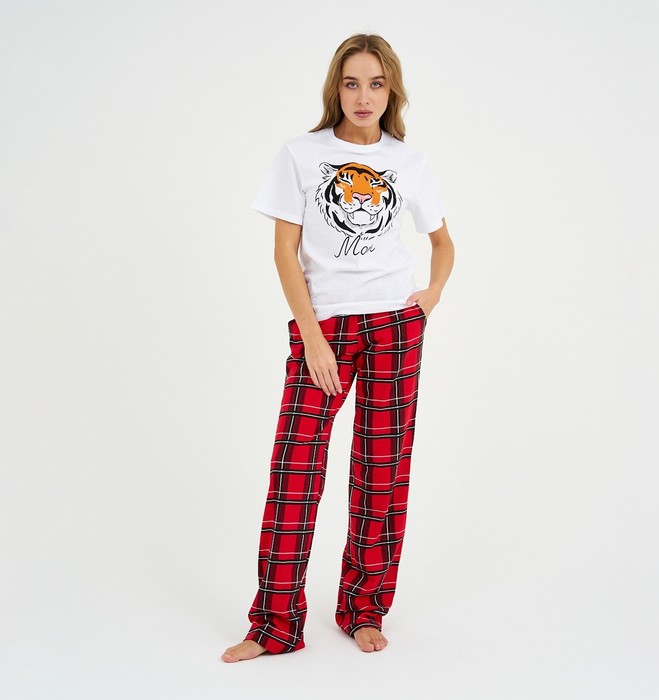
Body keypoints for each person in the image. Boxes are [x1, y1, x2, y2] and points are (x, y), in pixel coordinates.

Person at [221, 32, 455, 662]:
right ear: (336, 89)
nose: (363, 96)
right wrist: (312, 337)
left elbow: (443, 243)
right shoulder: (301, 154)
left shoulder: (409, 161)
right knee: (295, 470)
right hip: (323, 328)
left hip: (394, 327)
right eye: (352, 83)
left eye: (376, 83)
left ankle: (363, 609)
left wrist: (428, 299)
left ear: (391, 90)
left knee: (382, 471)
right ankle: (274, 625)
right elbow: (284, 253)